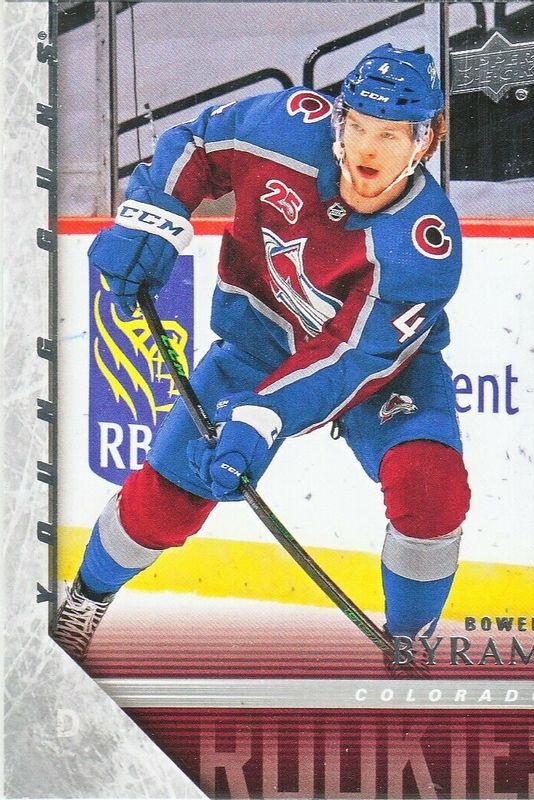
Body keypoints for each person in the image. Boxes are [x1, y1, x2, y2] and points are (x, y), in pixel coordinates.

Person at [53, 43, 471, 670]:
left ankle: (410, 644)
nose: (366, 149)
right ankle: (85, 598)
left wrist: (263, 416)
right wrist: (151, 217)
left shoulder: (424, 244)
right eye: (357, 125)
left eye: (389, 134)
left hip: (386, 372)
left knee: (432, 487)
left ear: (425, 141)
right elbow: (196, 144)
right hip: (258, 344)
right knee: (166, 499)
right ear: (338, 116)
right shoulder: (287, 127)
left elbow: (350, 358)